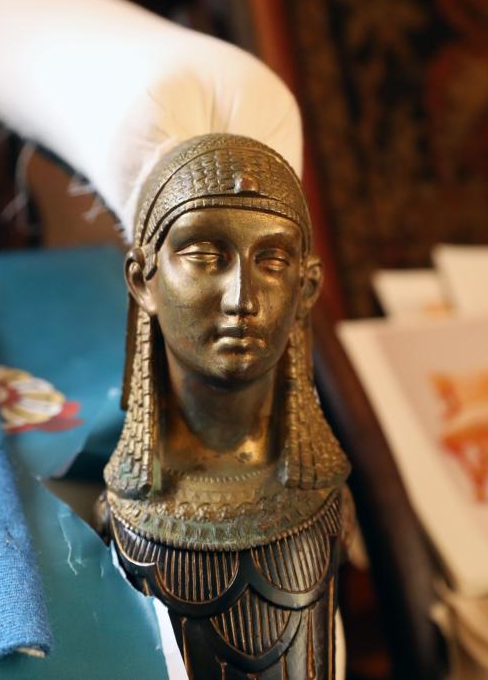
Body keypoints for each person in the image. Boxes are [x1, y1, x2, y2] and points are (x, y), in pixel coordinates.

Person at [98, 133, 349, 680]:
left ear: (307, 288)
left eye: (273, 260)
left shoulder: (326, 501)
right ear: (144, 280)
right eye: (207, 255)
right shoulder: (119, 516)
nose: (242, 299)